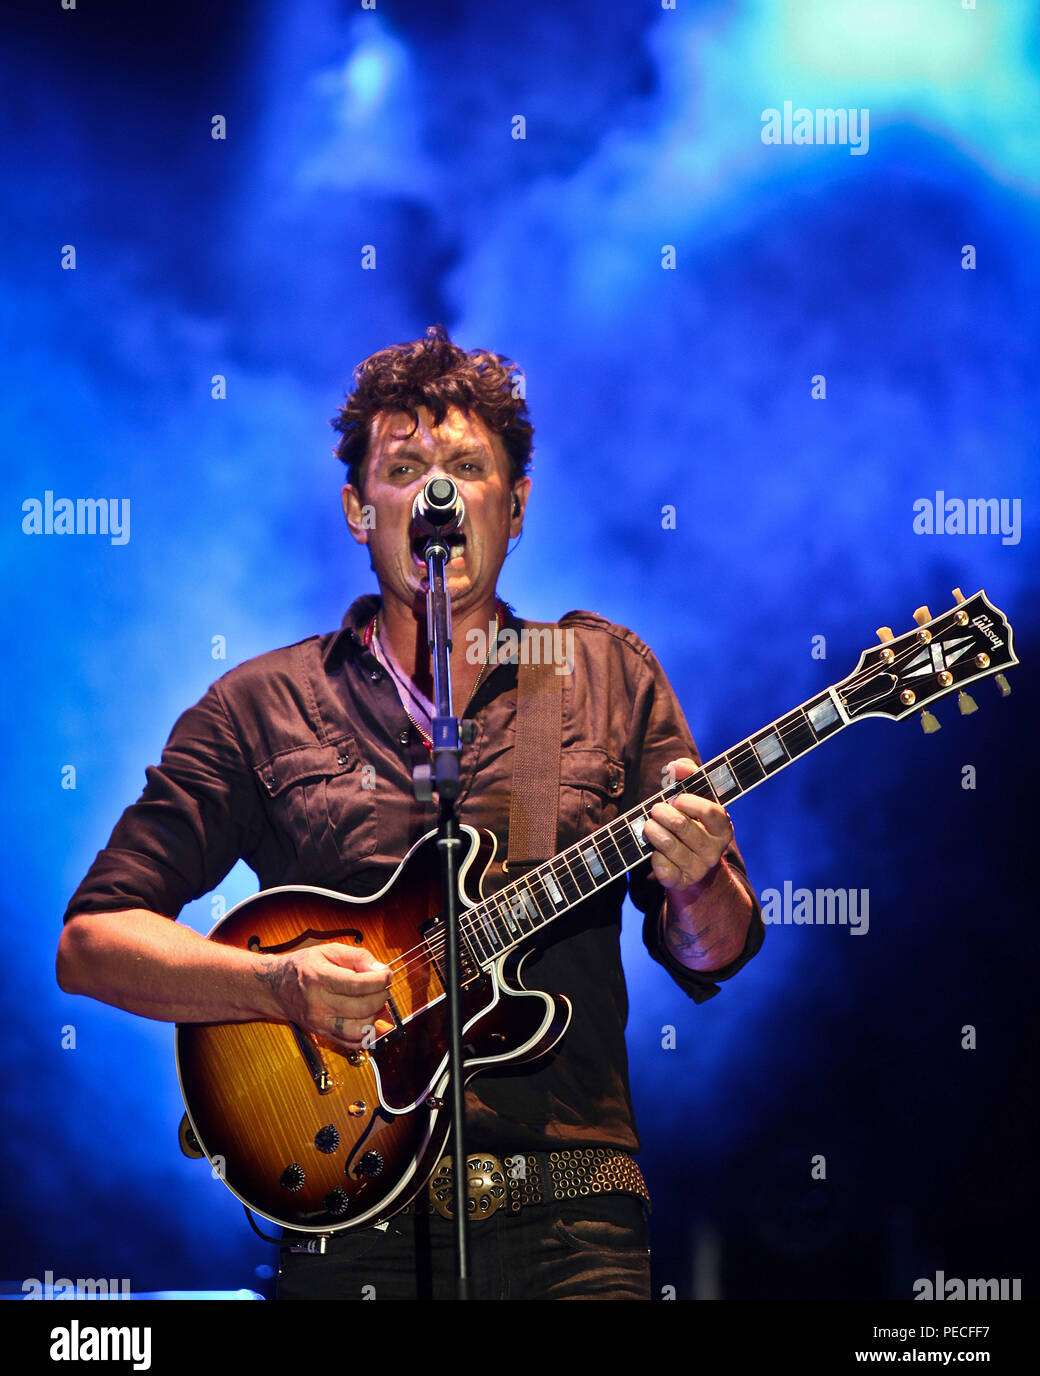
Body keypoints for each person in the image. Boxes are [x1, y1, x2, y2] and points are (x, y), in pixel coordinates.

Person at [58, 325, 764, 1300]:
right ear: (359, 508)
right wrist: (278, 989)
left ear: (513, 507)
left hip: (569, 1222)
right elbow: (93, 941)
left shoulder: (598, 674)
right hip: (349, 1214)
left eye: (467, 465)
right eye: (404, 465)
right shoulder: (262, 704)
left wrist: (696, 878)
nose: (437, 486)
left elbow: (711, 950)